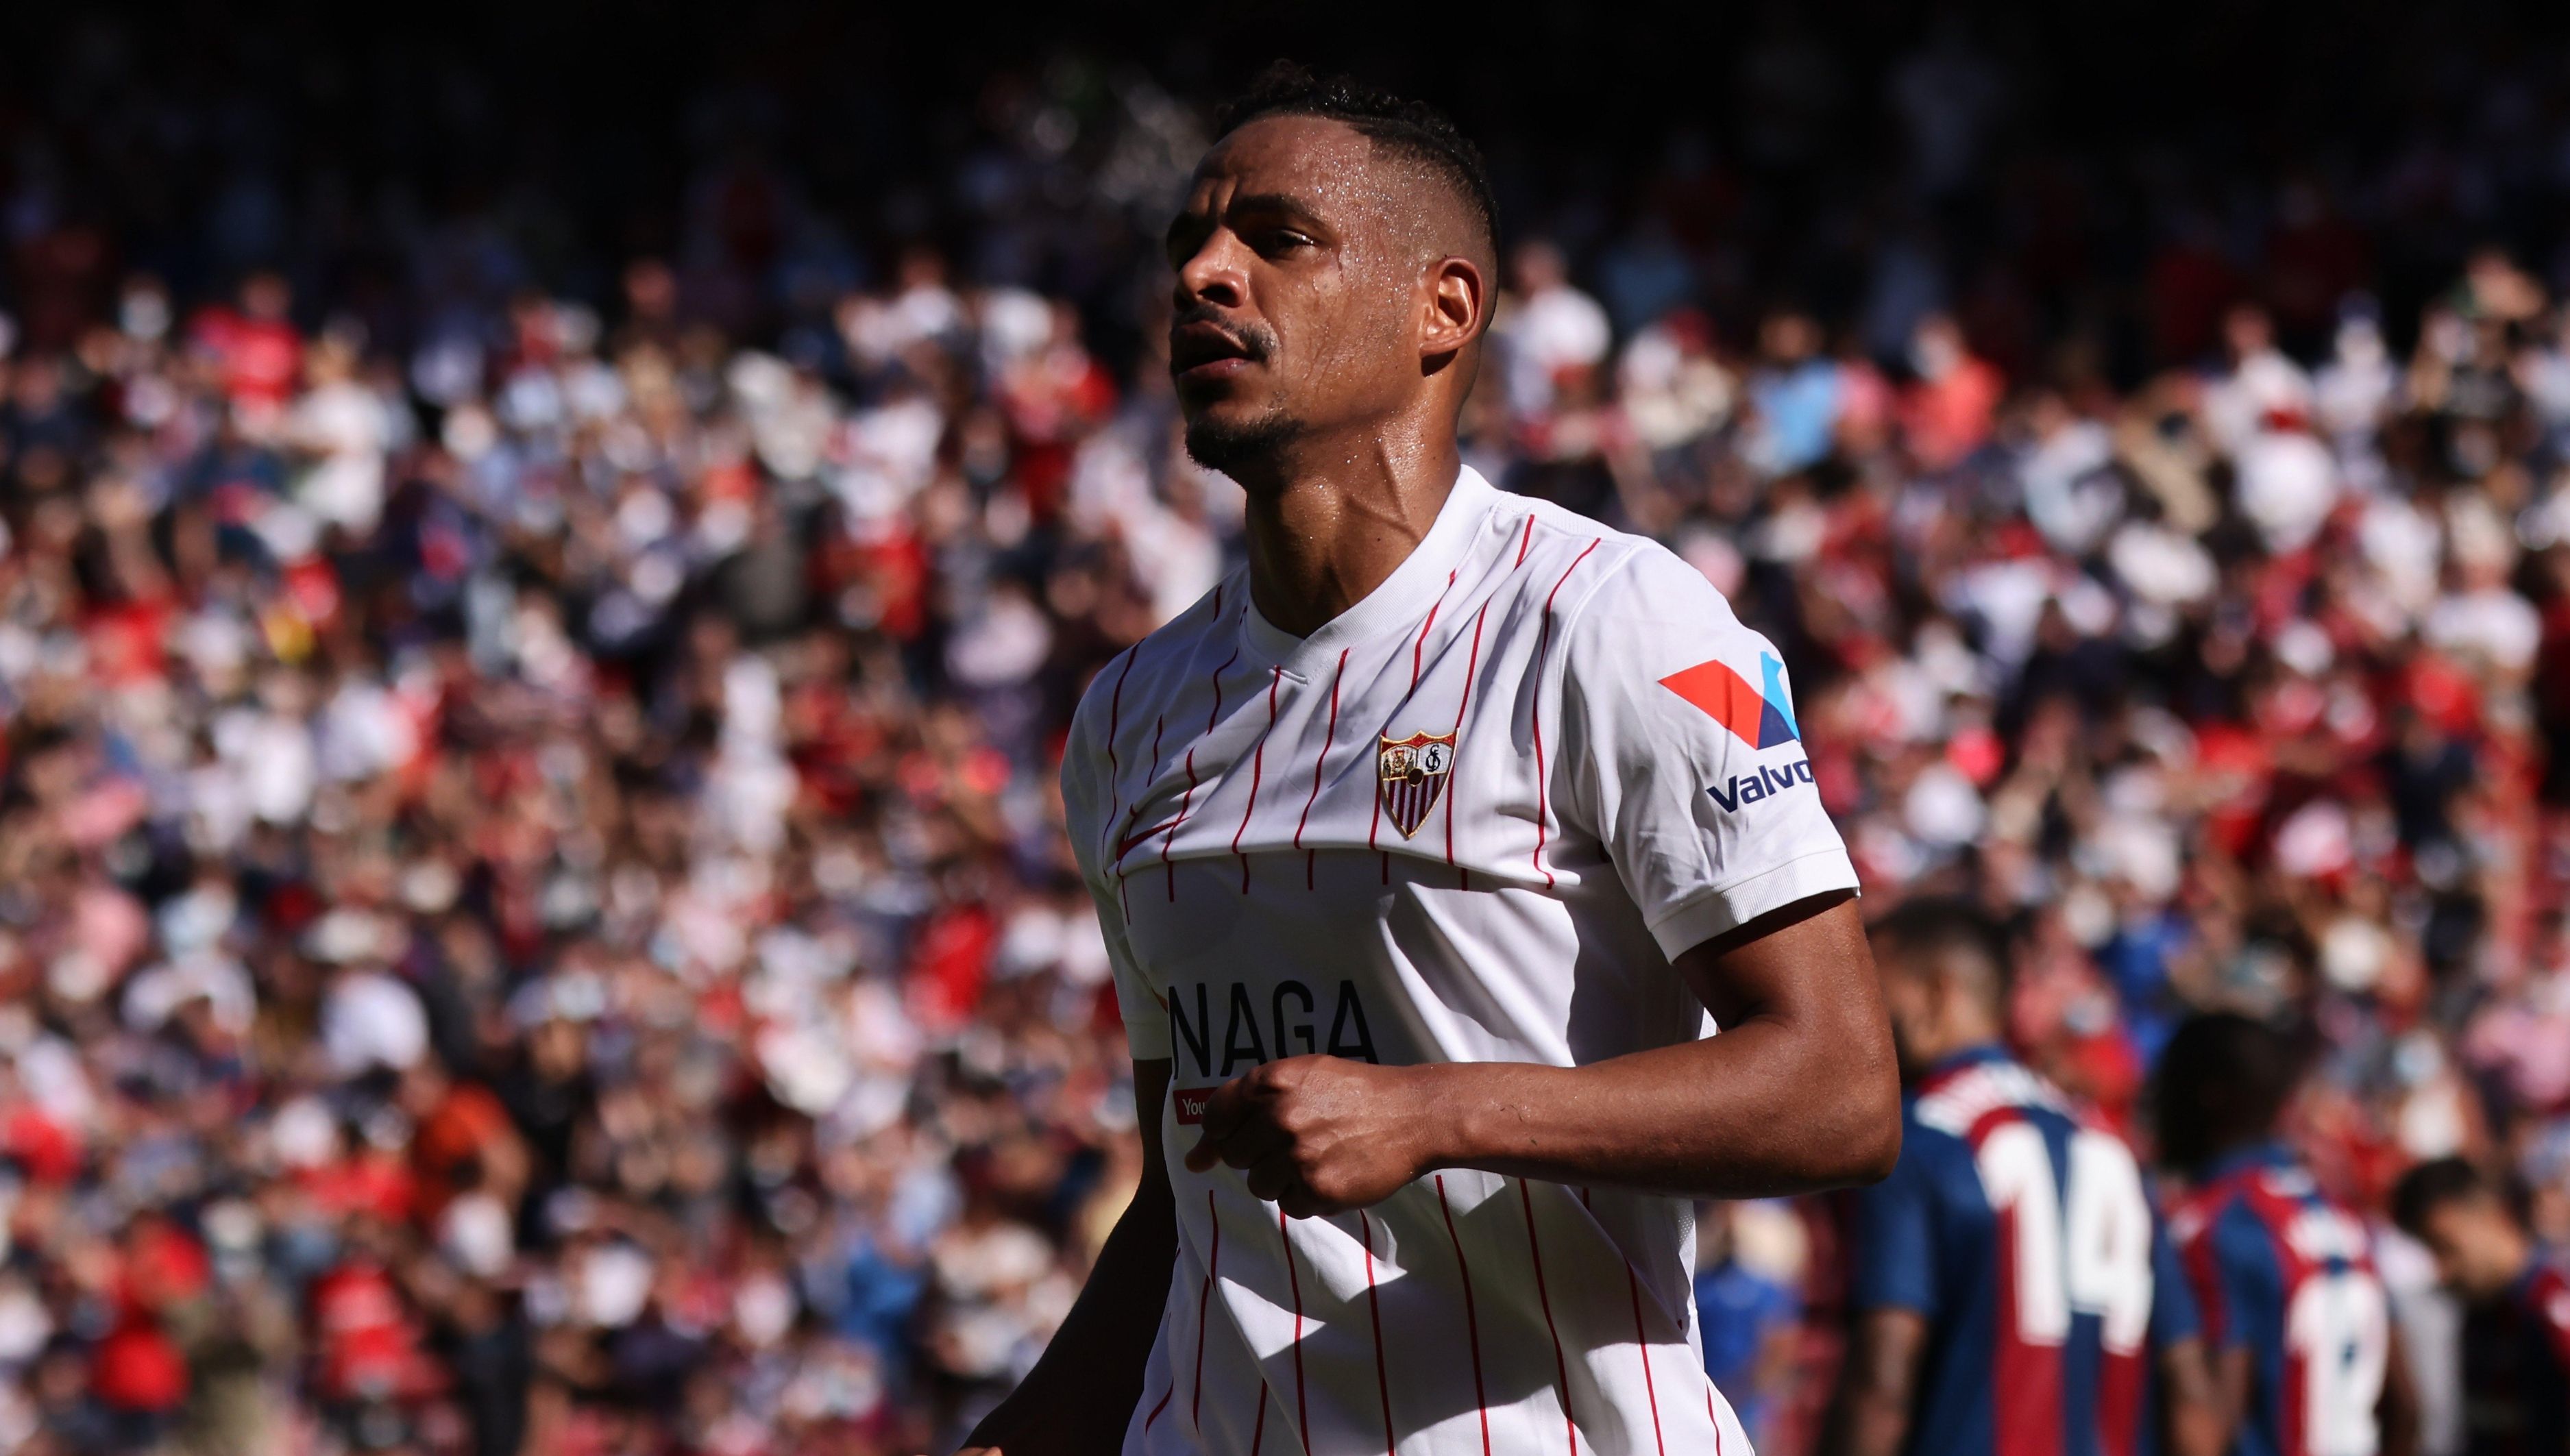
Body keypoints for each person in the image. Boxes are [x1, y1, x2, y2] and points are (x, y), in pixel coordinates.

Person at [961, 63, 1900, 1456]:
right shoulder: (1128, 715)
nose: (1205, 275)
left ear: (1441, 309)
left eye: (1278, 239)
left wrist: (1436, 1112)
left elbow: (1838, 1089)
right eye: (1188, 248)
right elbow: (1183, 1200)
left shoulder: (1611, 623)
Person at [1823, 898, 2223, 1456]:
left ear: (1938, 993)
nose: (1850, 1016)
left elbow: (1881, 1386)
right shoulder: (2109, 1146)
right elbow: (2189, 1390)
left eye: (1872, 990)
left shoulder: (1919, 1140)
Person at [2156, 1015, 2420, 1456]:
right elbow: (2405, 1405)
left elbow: (2210, 1422)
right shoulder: (2345, 1219)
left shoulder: (2214, 1224)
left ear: (2209, 1095)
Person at [2390, 1157, 2570, 1456]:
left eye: (2444, 1245)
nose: (2442, 1270)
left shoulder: (2548, 1310)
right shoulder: (2480, 1313)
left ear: (2489, 1215)